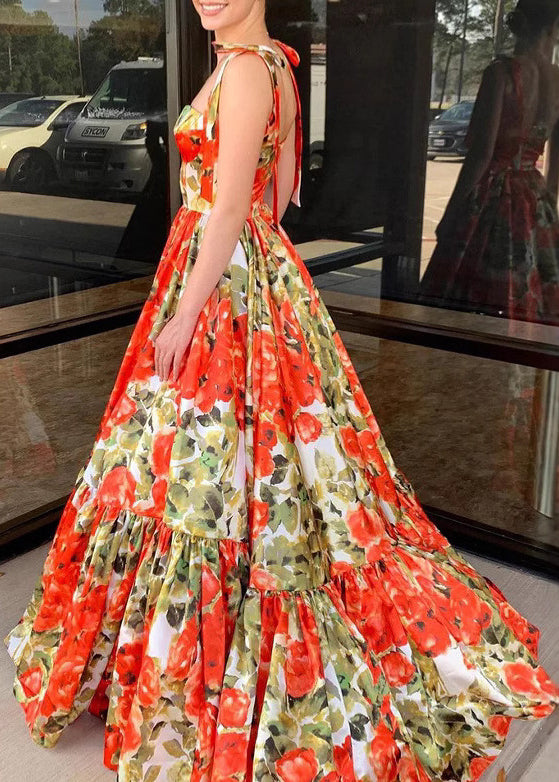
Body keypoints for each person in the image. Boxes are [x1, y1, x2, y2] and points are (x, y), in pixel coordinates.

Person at [4, 1, 559, 781]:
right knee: (238, 463)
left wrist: (187, 313)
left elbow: (236, 206)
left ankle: (210, 658)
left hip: (217, 278)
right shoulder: (271, 67)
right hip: (239, 272)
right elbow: (279, 196)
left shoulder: (247, 71)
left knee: (200, 468)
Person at [419, 0, 559, 325]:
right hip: (535, 198)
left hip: (494, 196)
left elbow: (481, 155)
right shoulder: (556, 80)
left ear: (518, 23)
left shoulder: (501, 74)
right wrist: (547, 216)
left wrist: (451, 216)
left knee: (461, 305)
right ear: (553, 28)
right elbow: (554, 170)